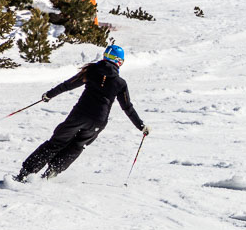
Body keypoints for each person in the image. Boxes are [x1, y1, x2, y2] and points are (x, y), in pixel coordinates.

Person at [15, 44, 148, 181]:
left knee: (56, 143)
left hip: (78, 115)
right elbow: (127, 107)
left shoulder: (92, 71)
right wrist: (141, 126)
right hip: (98, 122)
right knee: (78, 146)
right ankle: (51, 173)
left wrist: (49, 95)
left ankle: (26, 173)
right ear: (120, 62)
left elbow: (68, 85)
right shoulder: (120, 83)